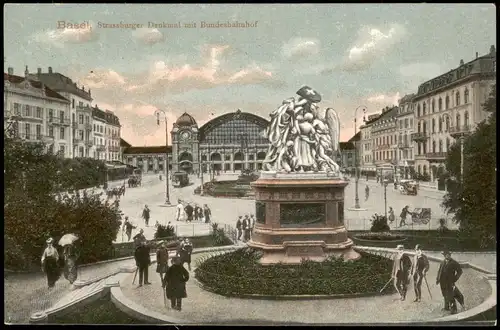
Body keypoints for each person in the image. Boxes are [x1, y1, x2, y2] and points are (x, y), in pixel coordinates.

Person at [436, 249, 463, 314]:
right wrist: (438, 279)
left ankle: (454, 309)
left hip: (450, 282)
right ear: (444, 255)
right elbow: (439, 271)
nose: (447, 256)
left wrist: (455, 279)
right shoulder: (442, 262)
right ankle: (446, 307)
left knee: (451, 295)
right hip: (442, 282)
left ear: (450, 255)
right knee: (445, 294)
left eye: (448, 255)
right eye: (445, 255)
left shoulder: (454, 263)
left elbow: (460, 271)